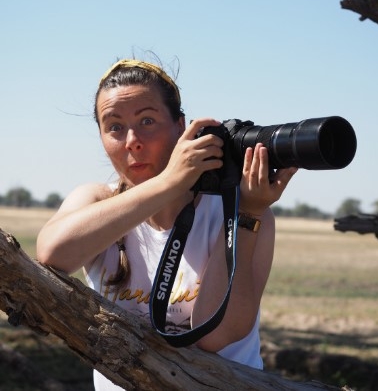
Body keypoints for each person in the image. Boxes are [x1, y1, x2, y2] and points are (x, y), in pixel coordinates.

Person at [36, 58, 297, 390]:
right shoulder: (97, 201)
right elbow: (52, 253)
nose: (131, 140)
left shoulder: (236, 210)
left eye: (147, 120)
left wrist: (250, 213)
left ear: (181, 128)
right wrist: (170, 183)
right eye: (114, 126)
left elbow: (215, 336)